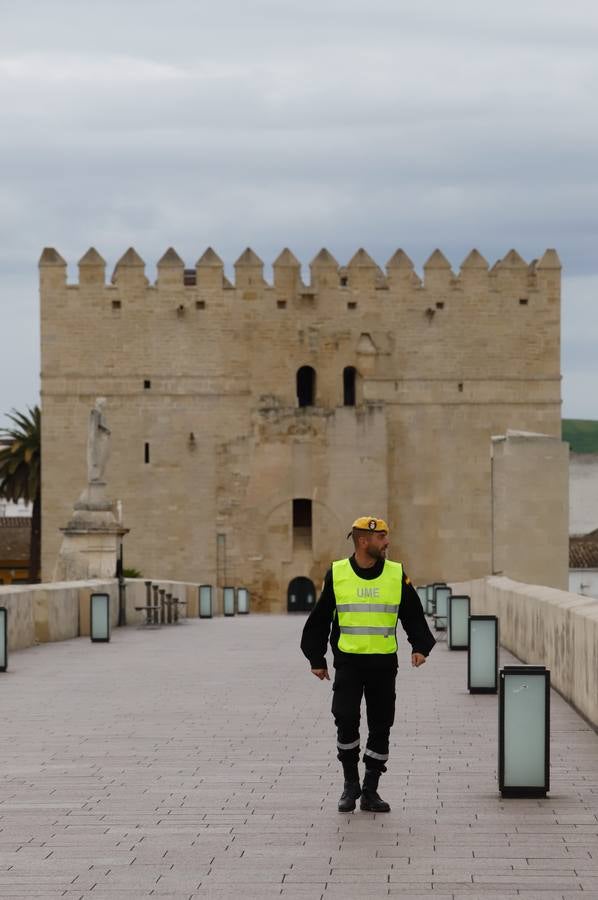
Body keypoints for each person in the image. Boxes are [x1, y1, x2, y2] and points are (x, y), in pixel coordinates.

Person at [300, 516, 435, 813]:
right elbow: (321, 616)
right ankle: (351, 784)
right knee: (345, 718)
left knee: (381, 724)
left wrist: (420, 646)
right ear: (364, 541)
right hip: (348, 662)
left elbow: (411, 611)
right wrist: (316, 657)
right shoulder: (337, 573)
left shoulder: (395, 573)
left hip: (383, 663)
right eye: (382, 537)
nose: (387, 542)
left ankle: (371, 789)